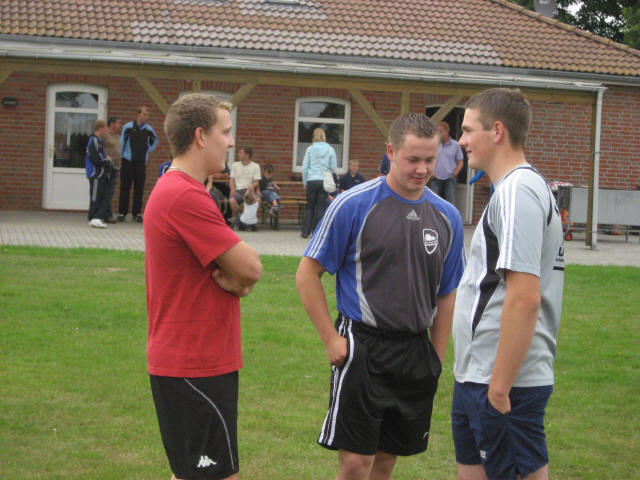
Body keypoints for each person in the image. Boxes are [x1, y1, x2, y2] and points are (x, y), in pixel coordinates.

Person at [296, 113, 465, 480]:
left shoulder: (447, 216)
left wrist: (435, 357)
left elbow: (447, 293)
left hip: (414, 350)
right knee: (356, 463)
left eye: (429, 160)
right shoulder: (353, 205)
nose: (422, 169)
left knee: (386, 460)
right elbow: (307, 273)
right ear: (390, 151)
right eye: (413, 159)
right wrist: (331, 339)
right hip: (363, 346)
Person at [144, 93, 262, 480]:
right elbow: (251, 267)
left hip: (193, 360)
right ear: (200, 136)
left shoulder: (181, 189)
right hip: (195, 362)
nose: (231, 141)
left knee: (192, 474)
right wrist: (240, 281)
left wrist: (238, 282)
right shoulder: (184, 195)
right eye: (225, 132)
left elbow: (240, 272)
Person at [452, 88, 565, 480]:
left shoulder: (518, 191)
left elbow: (524, 298)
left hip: (502, 381)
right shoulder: (510, 190)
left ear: (497, 131)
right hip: (476, 375)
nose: (461, 140)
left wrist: (499, 386)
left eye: (468, 130)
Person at [118, 105, 159, 223]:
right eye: (144, 114)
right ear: (138, 114)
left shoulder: (149, 130)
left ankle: (136, 213)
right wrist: (122, 155)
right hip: (127, 162)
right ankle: (122, 213)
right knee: (125, 187)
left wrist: (147, 150)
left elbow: (155, 141)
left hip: (141, 163)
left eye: (148, 115)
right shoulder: (128, 127)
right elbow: (122, 142)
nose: (146, 117)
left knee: (139, 189)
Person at [301, 127, 337, 238]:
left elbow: (305, 168)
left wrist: (305, 182)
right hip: (323, 181)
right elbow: (333, 167)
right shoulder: (330, 149)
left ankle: (305, 232)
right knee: (320, 207)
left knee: (310, 207)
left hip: (311, 180)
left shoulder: (310, 149)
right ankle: (317, 232)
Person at [85, 119, 112, 229]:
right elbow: (96, 159)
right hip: (96, 174)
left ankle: (96, 218)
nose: (106, 131)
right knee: (95, 196)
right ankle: (93, 218)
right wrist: (107, 161)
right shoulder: (94, 141)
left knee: (101, 195)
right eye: (105, 128)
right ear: (100, 128)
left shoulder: (98, 141)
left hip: (100, 174)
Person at [429, 121, 464, 204]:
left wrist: (454, 174)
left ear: (447, 131)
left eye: (440, 131)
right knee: (434, 202)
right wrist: (431, 172)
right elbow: (428, 160)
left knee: (449, 202)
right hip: (435, 178)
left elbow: (460, 162)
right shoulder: (434, 145)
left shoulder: (456, 145)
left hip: (450, 179)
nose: (439, 134)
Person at [229, 146, 261, 226]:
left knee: (257, 200)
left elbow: (257, 182)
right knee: (232, 201)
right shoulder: (235, 165)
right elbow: (231, 179)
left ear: (247, 155)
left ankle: (242, 220)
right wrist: (232, 189)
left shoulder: (255, 166)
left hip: (250, 191)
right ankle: (242, 217)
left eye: (241, 153)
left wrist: (252, 186)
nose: (238, 154)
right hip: (238, 191)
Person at [102, 116, 123, 223]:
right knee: (107, 192)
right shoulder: (105, 135)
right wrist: (105, 157)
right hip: (108, 167)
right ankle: (106, 215)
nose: (120, 125)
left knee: (110, 192)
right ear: (112, 124)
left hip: (115, 167)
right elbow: (99, 148)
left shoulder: (117, 136)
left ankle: (107, 214)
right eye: (119, 123)